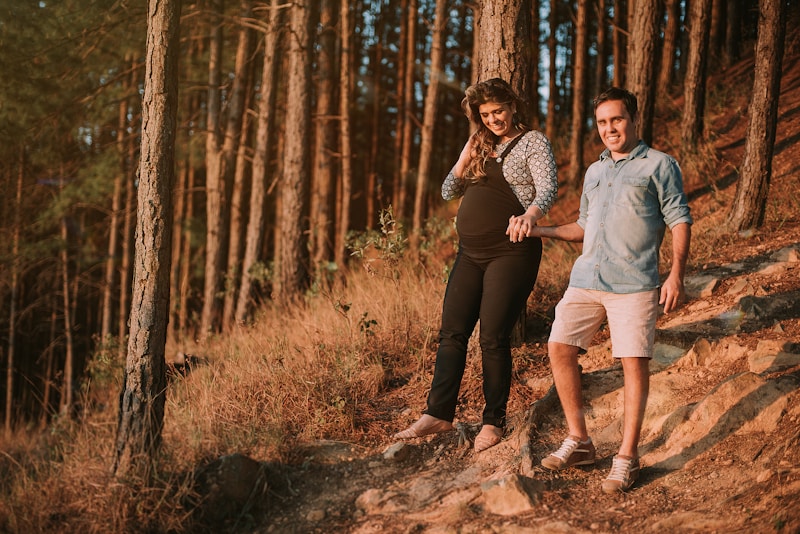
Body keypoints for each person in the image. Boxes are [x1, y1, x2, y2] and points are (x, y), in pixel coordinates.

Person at [528, 87, 692, 492]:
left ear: (633, 119)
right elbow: (582, 228)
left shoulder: (659, 165)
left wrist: (676, 275)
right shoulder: (595, 171)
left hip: (634, 283)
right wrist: (541, 229)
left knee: (633, 363)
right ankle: (580, 440)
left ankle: (627, 457)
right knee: (559, 347)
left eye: (616, 119)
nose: (609, 129)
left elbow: (680, 220)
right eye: (602, 122)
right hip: (586, 279)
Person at [393, 78, 558, 452]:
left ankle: (493, 421)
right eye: (485, 115)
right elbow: (448, 190)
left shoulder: (533, 142)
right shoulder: (480, 142)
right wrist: (467, 152)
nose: (493, 119)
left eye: (498, 111)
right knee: (451, 333)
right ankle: (437, 413)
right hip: (469, 253)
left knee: (492, 338)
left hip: (511, 252)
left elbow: (548, 188)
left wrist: (531, 214)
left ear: (512, 105)